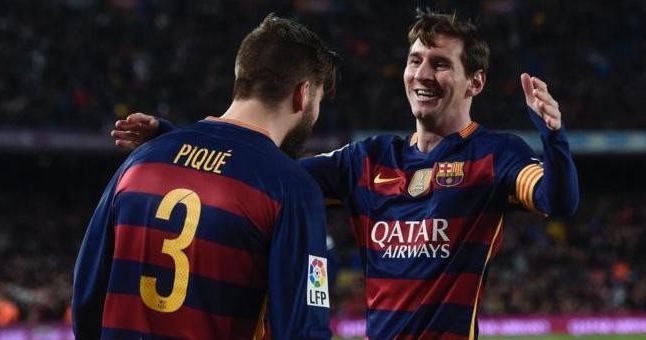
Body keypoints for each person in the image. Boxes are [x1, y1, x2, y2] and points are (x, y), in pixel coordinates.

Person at [112, 9, 579, 339]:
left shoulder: (496, 155)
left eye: (440, 63)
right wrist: (176, 141)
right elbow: (267, 175)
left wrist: (553, 139)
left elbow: (559, 201)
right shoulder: (367, 160)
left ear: (474, 82)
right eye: (415, 60)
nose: (422, 73)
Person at [73, 14, 338, 339]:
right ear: (302, 94)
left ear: (242, 78)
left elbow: (86, 296)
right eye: (319, 101)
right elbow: (302, 331)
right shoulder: (292, 188)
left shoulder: (140, 162)